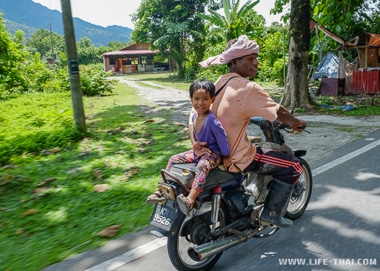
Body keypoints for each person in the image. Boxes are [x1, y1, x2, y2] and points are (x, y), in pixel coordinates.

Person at [194, 35, 307, 228]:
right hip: (236, 157)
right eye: (250, 58)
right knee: (294, 166)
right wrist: (296, 122)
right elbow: (278, 111)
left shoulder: (218, 82)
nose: (256, 63)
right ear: (235, 62)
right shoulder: (247, 87)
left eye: (256, 58)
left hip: (212, 151)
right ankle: (271, 214)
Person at [146, 79, 232, 215]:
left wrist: (226, 155)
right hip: (200, 152)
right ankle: (162, 190)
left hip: (213, 153)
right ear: (191, 99)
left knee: (202, 167)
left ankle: (190, 199)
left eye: (205, 99)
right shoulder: (194, 117)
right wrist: (196, 145)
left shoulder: (212, 120)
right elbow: (196, 136)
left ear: (212, 99)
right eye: (196, 99)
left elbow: (223, 138)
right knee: (173, 159)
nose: (200, 103)